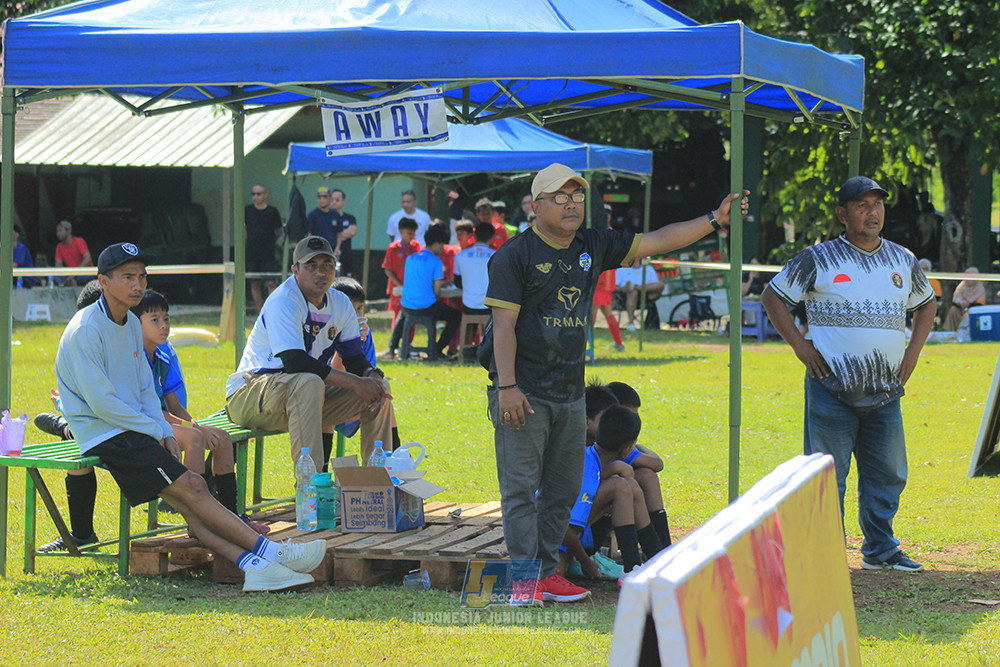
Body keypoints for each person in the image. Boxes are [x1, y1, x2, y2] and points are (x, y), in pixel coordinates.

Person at [486, 162, 747, 605]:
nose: (571, 204)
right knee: (521, 488)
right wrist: (507, 387)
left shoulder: (592, 243)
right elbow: (503, 326)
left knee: (564, 487)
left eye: (577, 196)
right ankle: (525, 582)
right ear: (535, 206)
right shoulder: (514, 255)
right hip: (522, 392)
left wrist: (713, 220)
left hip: (569, 392)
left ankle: (547, 574)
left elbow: (657, 240)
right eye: (560, 197)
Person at [56, 242, 325, 592]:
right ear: (103, 282)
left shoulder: (130, 324)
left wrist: (163, 432)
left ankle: (253, 566)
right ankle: (272, 553)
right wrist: (157, 429)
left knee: (189, 500)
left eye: (141, 276)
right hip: (103, 432)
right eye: (127, 277)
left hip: (130, 427)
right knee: (194, 488)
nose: (137, 284)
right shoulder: (85, 330)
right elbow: (103, 403)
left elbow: (143, 388)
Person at [761, 175, 936, 572]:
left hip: (887, 391)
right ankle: (824, 556)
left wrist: (912, 352)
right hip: (831, 389)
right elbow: (773, 297)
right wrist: (800, 346)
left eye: (877, 204)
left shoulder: (902, 260)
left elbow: (926, 304)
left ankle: (880, 549)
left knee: (888, 473)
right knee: (826, 477)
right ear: (843, 214)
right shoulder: (817, 258)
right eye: (862, 205)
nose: (872, 212)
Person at [226, 236, 393, 471]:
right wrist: (356, 382)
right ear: (295, 269)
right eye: (311, 265)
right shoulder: (284, 300)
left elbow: (354, 357)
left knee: (379, 390)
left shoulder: (341, 303)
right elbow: (295, 362)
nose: (320, 272)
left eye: (327, 265)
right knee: (309, 382)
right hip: (249, 394)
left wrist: (371, 374)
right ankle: (312, 492)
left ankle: (376, 484)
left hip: (305, 398)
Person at [131, 289, 268, 534]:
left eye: (166, 319)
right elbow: (151, 411)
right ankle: (198, 522)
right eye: (155, 320)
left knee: (222, 439)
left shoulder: (163, 354)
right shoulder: (132, 356)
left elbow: (174, 406)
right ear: (136, 324)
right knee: (195, 439)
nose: (164, 326)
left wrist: (197, 424)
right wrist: (194, 429)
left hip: (161, 421)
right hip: (139, 425)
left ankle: (233, 516)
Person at [563, 405, 665, 580]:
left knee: (629, 485)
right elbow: (562, 526)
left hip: (580, 534)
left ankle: (658, 560)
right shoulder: (586, 467)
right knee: (620, 486)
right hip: (563, 540)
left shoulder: (599, 455)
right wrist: (585, 561)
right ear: (627, 448)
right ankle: (632, 568)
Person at [324, 277, 403, 469]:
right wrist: (348, 344)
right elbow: (331, 377)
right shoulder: (328, 331)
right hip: (330, 400)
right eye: (351, 309)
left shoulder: (365, 335)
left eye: (360, 308)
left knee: (383, 394)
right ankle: (321, 473)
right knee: (322, 409)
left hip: (360, 401)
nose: (357, 314)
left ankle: (394, 467)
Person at [603, 380, 671, 547]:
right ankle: (658, 548)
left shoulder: (615, 439)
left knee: (646, 475)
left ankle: (662, 547)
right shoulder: (615, 442)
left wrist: (637, 447)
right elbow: (657, 463)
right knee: (639, 480)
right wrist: (637, 447)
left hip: (611, 499)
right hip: (599, 504)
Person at [399, 223, 461, 358]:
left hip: (407, 306)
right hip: (427, 306)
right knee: (456, 316)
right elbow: (437, 292)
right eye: (442, 245)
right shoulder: (436, 261)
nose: (444, 249)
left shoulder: (410, 258)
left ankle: (395, 347)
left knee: (404, 316)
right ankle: (437, 349)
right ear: (437, 243)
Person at [382, 217, 421, 358]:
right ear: (400, 231)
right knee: (398, 316)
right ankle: (395, 345)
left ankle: (408, 344)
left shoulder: (416, 246)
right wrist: (400, 284)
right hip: (397, 288)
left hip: (412, 288)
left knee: (412, 315)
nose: (410, 236)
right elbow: (387, 269)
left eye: (413, 233)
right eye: (408, 233)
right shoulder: (393, 248)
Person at [245, 184, 282, 313]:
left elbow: (278, 231)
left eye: (259, 194)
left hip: (268, 252)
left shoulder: (272, 211)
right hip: (251, 252)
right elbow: (244, 229)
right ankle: (260, 312)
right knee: (254, 283)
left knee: (270, 282)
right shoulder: (247, 210)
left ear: (265, 195)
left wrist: (269, 241)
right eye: (253, 194)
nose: (256, 197)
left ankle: (272, 311)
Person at [453, 222, 495, 317]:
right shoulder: (496, 255)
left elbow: (457, 282)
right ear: (491, 238)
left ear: (474, 236)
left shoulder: (460, 255)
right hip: (490, 306)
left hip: (469, 306)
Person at [615, 260, 664, 331]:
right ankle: (631, 323)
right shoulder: (621, 269)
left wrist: (638, 287)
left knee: (660, 284)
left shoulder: (648, 269)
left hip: (646, 294)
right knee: (633, 292)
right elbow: (614, 286)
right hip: (626, 296)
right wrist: (623, 289)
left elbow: (656, 284)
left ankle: (637, 287)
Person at [944, 267, 985, 332]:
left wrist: (969, 304)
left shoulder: (980, 288)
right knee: (953, 310)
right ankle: (952, 332)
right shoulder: (961, 286)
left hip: (972, 310)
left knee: (968, 314)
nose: (967, 280)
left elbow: (980, 304)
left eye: (970, 277)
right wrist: (960, 302)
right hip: (961, 309)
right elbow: (956, 299)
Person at [593, 268, 624, 352]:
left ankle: (585, 344)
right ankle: (619, 343)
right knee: (609, 315)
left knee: (592, 316)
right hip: (606, 284)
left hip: (600, 284)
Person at [54, 220, 93, 287]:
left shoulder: (79, 241)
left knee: (80, 278)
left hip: (84, 273)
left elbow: (87, 259)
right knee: (52, 274)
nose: (58, 234)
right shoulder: (59, 246)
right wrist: (67, 275)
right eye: (57, 231)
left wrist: (73, 274)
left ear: (68, 231)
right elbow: (58, 264)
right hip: (71, 274)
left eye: (60, 231)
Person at [329, 188, 359, 276]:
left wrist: (334, 234)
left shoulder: (350, 218)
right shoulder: (326, 218)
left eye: (337, 200)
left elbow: (353, 231)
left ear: (343, 201)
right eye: (332, 200)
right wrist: (343, 233)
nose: (334, 202)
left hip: (346, 258)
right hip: (330, 257)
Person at [12, 223, 36, 288]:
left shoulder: (21, 248)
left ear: (17, 235)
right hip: (14, 277)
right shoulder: (7, 249)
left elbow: (14, 266)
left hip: (26, 279)